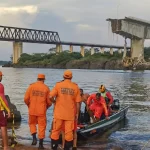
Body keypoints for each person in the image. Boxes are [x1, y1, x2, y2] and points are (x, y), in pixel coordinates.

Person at [49, 70, 81, 150]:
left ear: (63, 76)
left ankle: (54, 147)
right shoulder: (75, 87)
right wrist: (77, 114)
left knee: (55, 131)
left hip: (59, 113)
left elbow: (50, 97)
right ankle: (67, 148)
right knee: (68, 132)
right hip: (70, 115)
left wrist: (54, 102)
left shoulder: (58, 85)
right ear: (71, 77)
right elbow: (78, 102)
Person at [24, 74, 51, 149]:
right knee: (42, 126)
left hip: (32, 109)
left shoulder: (31, 86)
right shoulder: (46, 88)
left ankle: (34, 138)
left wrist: (29, 105)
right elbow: (49, 102)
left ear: (37, 78)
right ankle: (41, 145)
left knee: (32, 123)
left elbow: (26, 99)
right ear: (44, 79)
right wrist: (46, 107)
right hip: (41, 110)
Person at [0, 71, 11, 150]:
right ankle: (6, 147)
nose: (2, 78)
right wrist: (8, 110)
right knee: (3, 127)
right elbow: (2, 99)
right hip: (0, 110)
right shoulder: (1, 86)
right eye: (1, 76)